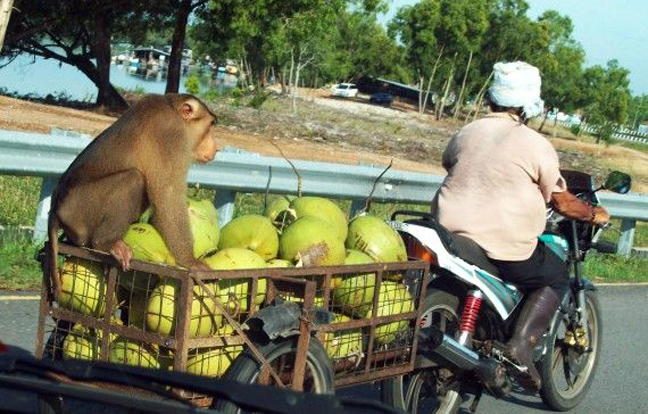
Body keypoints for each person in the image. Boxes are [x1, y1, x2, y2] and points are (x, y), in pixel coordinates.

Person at [431, 61, 610, 392]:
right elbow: (562, 202)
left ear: (491, 99)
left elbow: (450, 162)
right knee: (555, 276)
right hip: (502, 244)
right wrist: (592, 213)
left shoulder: (467, 132)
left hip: (450, 234)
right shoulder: (533, 143)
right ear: (531, 104)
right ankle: (520, 347)